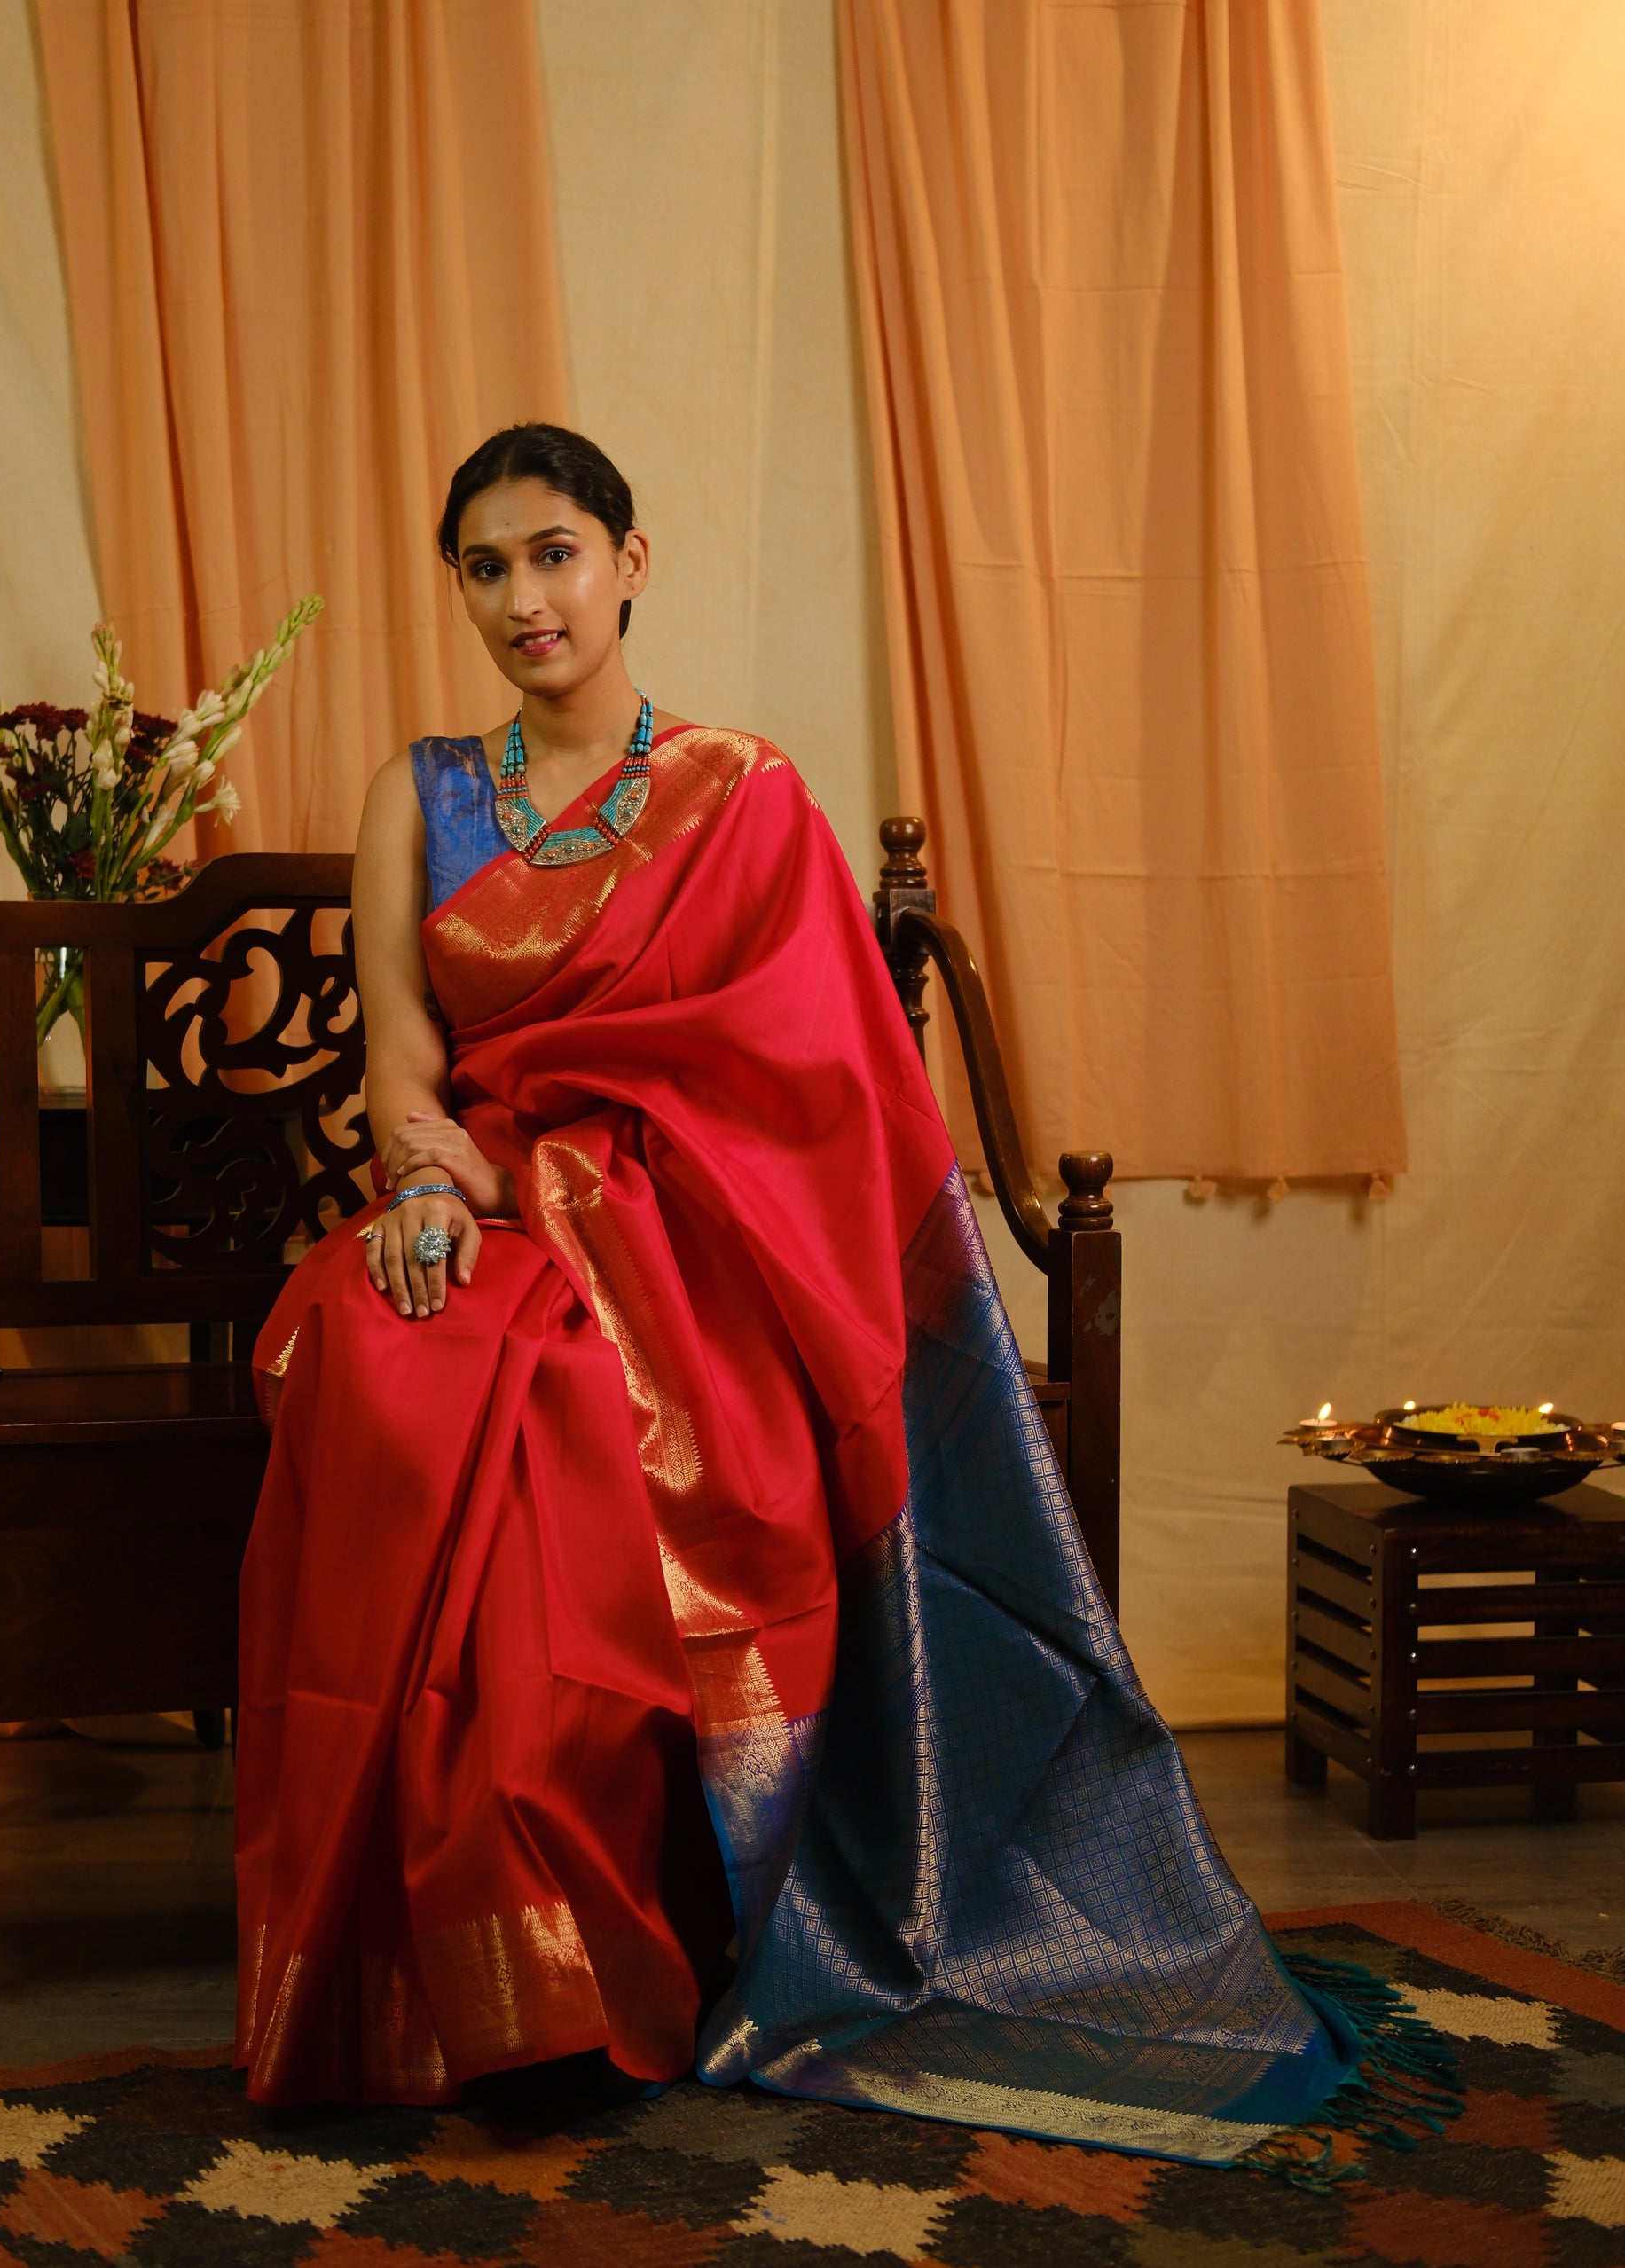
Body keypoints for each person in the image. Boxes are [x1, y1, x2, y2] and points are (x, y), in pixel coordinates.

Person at [232, 424, 1433, 2168]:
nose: (524, 597)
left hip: (684, 1241)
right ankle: (438, 1962)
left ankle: (579, 1965)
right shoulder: (414, 793)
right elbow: (401, 1056)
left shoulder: (741, 792)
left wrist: (574, 1185)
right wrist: (424, 1180)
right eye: (487, 566)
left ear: (629, 564)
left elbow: (802, 1087)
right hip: (480, 1199)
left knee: (556, 1399)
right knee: (375, 1344)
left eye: (555, 553)